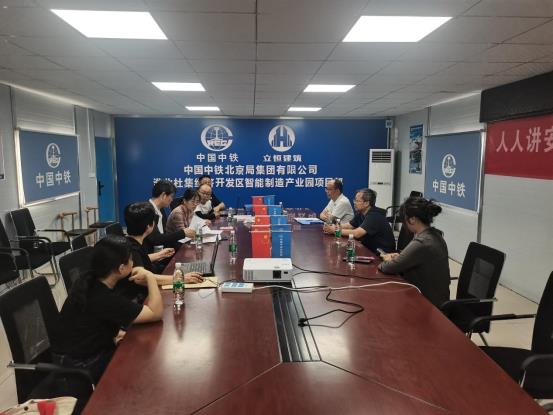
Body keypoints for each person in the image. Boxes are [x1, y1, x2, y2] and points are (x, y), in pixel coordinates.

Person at [52, 235, 163, 383]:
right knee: (145, 362)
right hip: (81, 364)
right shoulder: (103, 296)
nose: (133, 263)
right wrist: (150, 277)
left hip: (80, 351)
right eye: (131, 259)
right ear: (121, 268)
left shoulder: (91, 279)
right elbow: (156, 313)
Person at [118, 202, 203, 302]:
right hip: (142, 298)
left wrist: (159, 255)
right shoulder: (133, 247)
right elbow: (140, 278)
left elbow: (138, 260)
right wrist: (180, 279)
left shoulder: (130, 242)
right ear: (149, 226)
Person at [378, 197, 450, 308]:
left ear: (412, 220)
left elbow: (389, 267)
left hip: (428, 305)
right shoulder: (434, 235)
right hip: (433, 297)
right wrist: (400, 257)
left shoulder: (423, 242)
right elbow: (418, 258)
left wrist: (386, 260)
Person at [324, 188, 395, 254]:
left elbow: (357, 233)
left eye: (357, 201)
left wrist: (335, 230)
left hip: (382, 254)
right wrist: (332, 227)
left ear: (366, 203)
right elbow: (349, 226)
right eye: (354, 200)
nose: (354, 203)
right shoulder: (361, 213)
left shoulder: (374, 216)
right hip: (369, 250)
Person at [145, 180, 194, 253]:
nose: (172, 200)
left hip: (162, 251)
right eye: (171, 196)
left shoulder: (160, 209)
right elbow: (155, 239)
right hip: (151, 255)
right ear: (163, 195)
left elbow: (164, 236)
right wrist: (183, 233)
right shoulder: (147, 211)